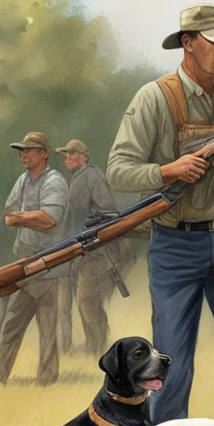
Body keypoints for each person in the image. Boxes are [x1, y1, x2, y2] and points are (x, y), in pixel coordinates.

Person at [107, 3, 214, 422]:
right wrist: (168, 170)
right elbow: (118, 170)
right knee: (171, 365)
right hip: (176, 245)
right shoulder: (154, 98)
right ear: (188, 43)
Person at [0, 132, 68, 385]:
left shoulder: (54, 181)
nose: (23, 154)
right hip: (24, 266)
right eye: (21, 150)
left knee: (48, 331)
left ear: (44, 154)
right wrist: (30, 216)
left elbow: (50, 220)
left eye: (29, 149)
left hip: (49, 267)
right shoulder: (23, 180)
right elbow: (7, 216)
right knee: (10, 327)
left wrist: (22, 217)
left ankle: (46, 383)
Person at [57, 138, 128, 355]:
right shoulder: (79, 177)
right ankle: (96, 345)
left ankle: (95, 348)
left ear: (84, 157)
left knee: (87, 300)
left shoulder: (92, 176)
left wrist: (91, 224)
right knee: (88, 301)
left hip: (98, 251)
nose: (68, 158)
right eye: (66, 154)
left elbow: (109, 213)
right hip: (84, 250)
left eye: (73, 154)